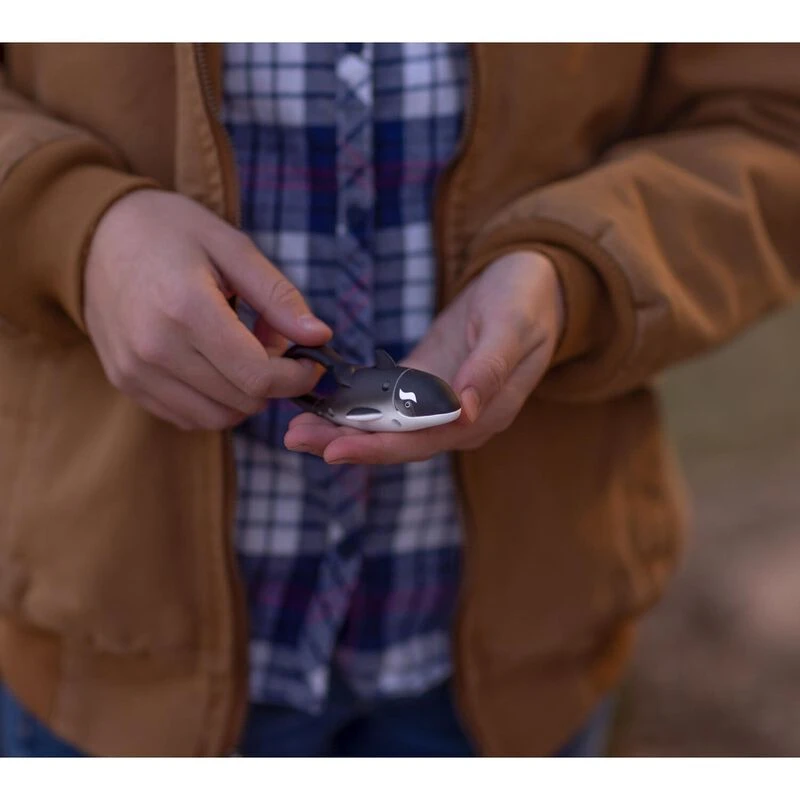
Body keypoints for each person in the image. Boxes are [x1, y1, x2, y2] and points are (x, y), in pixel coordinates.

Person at [0, 42, 798, 758]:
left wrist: (577, 274)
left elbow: (772, 124)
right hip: (106, 645)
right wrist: (75, 229)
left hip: (516, 663)